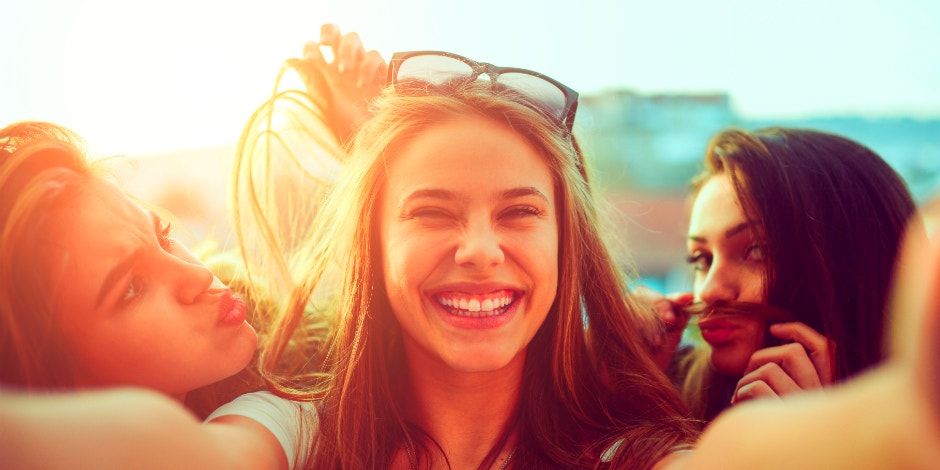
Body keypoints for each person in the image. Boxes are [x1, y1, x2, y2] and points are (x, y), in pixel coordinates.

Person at [0, 36, 700, 470]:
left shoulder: (627, 452)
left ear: (566, 245)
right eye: (431, 212)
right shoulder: (297, 425)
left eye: (520, 211)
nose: (482, 250)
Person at [646, 126, 918, 422]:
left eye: (756, 251)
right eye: (702, 259)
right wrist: (617, 377)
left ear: (846, 267)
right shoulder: (663, 398)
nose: (709, 291)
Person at [0, 121, 260, 416]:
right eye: (131, 288)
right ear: (56, 385)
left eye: (163, 237)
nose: (198, 276)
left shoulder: (298, 366)